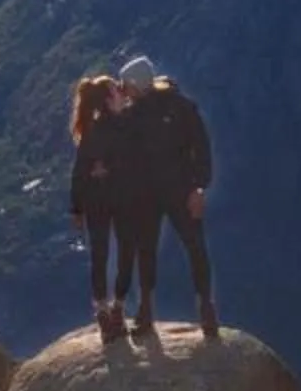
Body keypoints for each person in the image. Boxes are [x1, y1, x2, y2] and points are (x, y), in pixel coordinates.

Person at [110, 54, 216, 339]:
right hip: (148, 192)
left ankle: (205, 306)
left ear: (135, 84)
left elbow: (201, 147)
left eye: (125, 85)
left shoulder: (179, 108)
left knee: (193, 246)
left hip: (179, 189)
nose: (123, 90)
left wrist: (198, 187)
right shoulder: (134, 114)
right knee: (149, 249)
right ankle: (147, 310)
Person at [66, 72, 129, 337]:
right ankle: (117, 308)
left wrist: (78, 208)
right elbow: (130, 159)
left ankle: (103, 309)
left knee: (99, 255)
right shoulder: (121, 126)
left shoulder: (91, 132)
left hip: (95, 201)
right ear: (107, 99)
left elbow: (79, 173)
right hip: (121, 198)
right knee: (127, 251)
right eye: (116, 91)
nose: (122, 94)